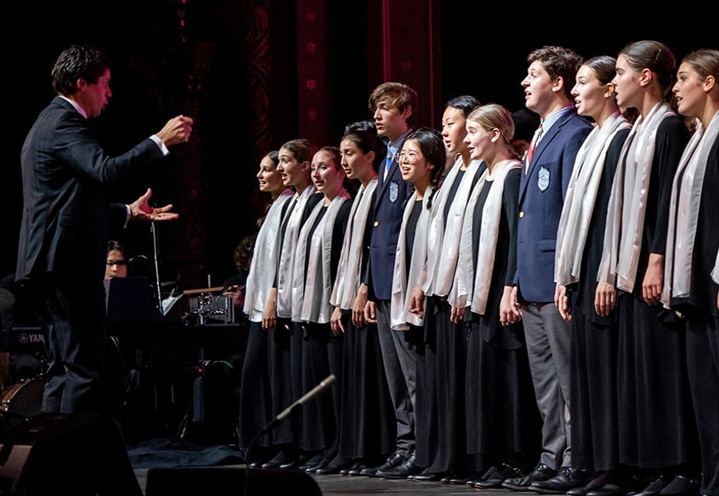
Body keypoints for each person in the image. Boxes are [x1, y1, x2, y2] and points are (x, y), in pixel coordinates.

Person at [15, 44, 192, 421]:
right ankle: (73, 465)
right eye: (105, 84)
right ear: (83, 83)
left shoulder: (49, 122)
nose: (109, 93)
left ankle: (50, 465)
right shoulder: (63, 122)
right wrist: (159, 140)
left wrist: (129, 213)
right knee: (84, 370)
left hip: (51, 265)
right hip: (67, 266)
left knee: (65, 369)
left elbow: (69, 206)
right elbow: (105, 170)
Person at [595, 40, 699, 496]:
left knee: (664, 369)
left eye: (619, 72)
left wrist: (656, 261)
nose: (613, 82)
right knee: (640, 371)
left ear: (644, 76)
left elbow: (667, 204)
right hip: (629, 270)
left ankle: (681, 467)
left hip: (654, 268)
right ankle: (650, 465)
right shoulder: (637, 130)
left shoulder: (670, 128)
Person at [502, 45, 594, 492]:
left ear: (557, 82)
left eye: (533, 73)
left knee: (567, 374)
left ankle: (577, 458)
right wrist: (516, 278)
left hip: (557, 275)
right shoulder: (541, 134)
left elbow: (571, 213)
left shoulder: (575, 132)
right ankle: (551, 455)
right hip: (532, 277)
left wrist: (566, 274)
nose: (525, 82)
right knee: (543, 378)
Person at [551, 56, 632, 496]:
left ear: (607, 90)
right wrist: (565, 277)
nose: (576, 90)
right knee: (584, 378)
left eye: (583, 83)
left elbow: (612, 217)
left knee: (604, 375)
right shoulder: (592, 139)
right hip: (580, 273)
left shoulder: (616, 136)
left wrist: (605, 273)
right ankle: (589, 462)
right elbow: (572, 216)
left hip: (603, 271)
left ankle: (612, 464)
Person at [449, 103, 540, 490]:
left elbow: (516, 239)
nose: (467, 140)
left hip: (502, 293)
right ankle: (493, 455)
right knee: (485, 380)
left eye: (473, 132)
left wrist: (510, 288)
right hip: (480, 296)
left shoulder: (511, 175)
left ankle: (517, 458)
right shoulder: (481, 178)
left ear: (496, 134)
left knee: (508, 379)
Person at [409, 95, 484, 483]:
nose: (444, 131)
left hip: (460, 292)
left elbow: (469, 241)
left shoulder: (479, 173)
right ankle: (440, 457)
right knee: (439, 379)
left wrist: (460, 289)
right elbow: (436, 238)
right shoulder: (451, 174)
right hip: (438, 288)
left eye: (451, 123)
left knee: (459, 382)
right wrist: (423, 282)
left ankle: (459, 460)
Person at [320, 121, 395, 476]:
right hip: (350, 297)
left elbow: (372, 252)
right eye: (343, 154)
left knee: (373, 379)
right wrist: (339, 300)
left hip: (368, 297)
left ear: (370, 155)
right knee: (355, 378)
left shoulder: (378, 189)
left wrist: (364, 290)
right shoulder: (361, 194)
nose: (345, 161)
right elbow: (347, 256)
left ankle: (375, 451)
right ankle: (355, 450)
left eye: (350, 154)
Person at [662, 48, 719, 496]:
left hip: (715, 280)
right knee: (704, 390)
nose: (676, 87)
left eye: (684, 78)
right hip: (694, 286)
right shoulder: (697, 137)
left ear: (710, 82)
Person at [359, 82, 420, 478]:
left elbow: (412, 222)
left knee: (412, 373)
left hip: (403, 278)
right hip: (381, 280)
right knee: (394, 376)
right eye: (376, 109)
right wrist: (366, 283)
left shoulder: (417, 151)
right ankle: (404, 444)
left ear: (405, 111)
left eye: (385, 108)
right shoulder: (388, 157)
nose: (378, 115)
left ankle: (422, 446)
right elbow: (378, 228)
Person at [385, 127, 445, 480]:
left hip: (426, 302)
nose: (404, 161)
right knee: (410, 382)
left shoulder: (435, 199)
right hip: (407, 301)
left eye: (412, 155)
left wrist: (420, 285)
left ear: (431, 162)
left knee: (424, 383)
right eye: (402, 155)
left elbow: (434, 252)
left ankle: (426, 451)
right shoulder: (412, 200)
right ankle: (417, 449)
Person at [261, 138, 322, 469]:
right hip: (285, 301)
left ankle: (305, 445)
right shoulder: (289, 204)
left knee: (302, 379)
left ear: (304, 166)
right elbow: (283, 259)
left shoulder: (313, 202)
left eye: (286, 161)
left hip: (302, 304)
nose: (281, 168)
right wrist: (274, 296)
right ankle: (288, 443)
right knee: (285, 377)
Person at [294, 146, 352, 472]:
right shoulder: (316, 207)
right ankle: (326, 446)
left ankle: (341, 446)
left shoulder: (344, 208)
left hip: (333, 309)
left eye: (324, 168)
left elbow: (344, 262)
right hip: (311, 310)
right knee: (318, 385)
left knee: (337, 384)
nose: (316, 174)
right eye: (313, 168)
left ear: (340, 171)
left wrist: (337, 304)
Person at [238, 150, 293, 464]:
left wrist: (273, 297)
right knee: (256, 374)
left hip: (273, 306)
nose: (261, 175)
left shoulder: (286, 206)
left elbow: (283, 259)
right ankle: (258, 443)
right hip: (259, 306)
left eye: (267, 169)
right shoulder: (273, 207)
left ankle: (276, 443)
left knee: (268, 373)